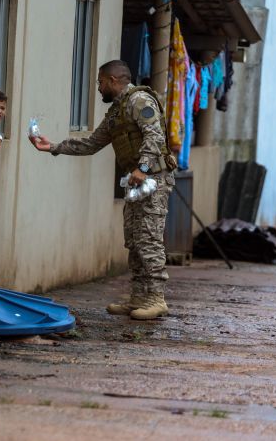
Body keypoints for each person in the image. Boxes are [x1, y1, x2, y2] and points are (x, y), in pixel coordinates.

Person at [28, 60, 177, 319]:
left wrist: (142, 167)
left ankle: (156, 298)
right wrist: (53, 146)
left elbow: (155, 137)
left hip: (153, 180)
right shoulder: (117, 111)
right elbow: (92, 143)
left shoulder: (139, 101)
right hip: (138, 183)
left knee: (149, 238)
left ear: (113, 80)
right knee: (134, 239)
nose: (98, 88)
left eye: (100, 82)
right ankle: (139, 297)